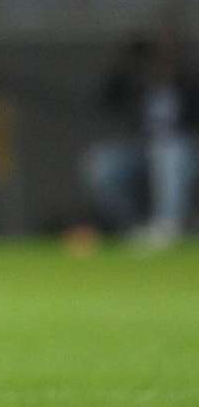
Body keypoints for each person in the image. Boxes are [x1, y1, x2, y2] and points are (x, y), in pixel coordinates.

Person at [81, 32, 199, 248]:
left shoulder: (188, 85)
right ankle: (131, 228)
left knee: (170, 153)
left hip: (185, 152)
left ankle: (168, 225)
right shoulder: (137, 86)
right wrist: (125, 64)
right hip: (143, 151)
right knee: (103, 162)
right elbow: (103, 99)